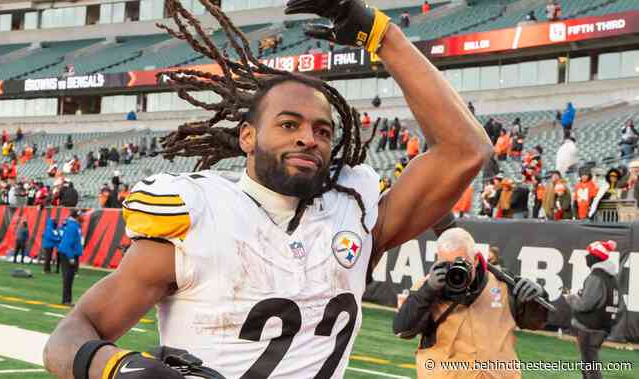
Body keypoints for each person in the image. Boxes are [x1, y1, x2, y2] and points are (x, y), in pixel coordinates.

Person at [43, 2, 492, 378]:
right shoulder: (200, 216)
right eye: (288, 124)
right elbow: (70, 335)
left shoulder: (353, 213)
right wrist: (114, 367)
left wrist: (383, 36)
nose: (307, 138)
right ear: (247, 137)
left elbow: (465, 149)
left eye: (321, 129)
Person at [394, 228, 547, 379]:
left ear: (475, 260)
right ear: (438, 261)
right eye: (447, 264)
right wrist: (428, 290)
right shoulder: (426, 286)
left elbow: (535, 323)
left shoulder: (502, 282)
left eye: (461, 263)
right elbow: (403, 330)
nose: (456, 270)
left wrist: (537, 298)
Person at [566, 240, 620, 379]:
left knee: (590, 367)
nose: (586, 257)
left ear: (595, 256)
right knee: (588, 365)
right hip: (602, 327)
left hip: (590, 328)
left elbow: (584, 305)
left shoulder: (596, 277)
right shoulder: (611, 278)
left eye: (589, 253)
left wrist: (570, 298)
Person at [57, 210, 82, 306]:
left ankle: (67, 299)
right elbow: (68, 243)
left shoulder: (72, 225)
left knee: (69, 278)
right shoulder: (72, 226)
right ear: (77, 216)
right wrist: (71, 257)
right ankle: (66, 300)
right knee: (68, 278)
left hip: (68, 253)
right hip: (69, 254)